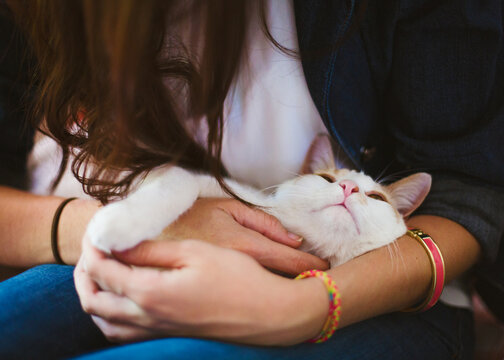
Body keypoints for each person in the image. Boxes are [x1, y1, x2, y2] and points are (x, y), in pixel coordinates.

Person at [1, 0, 502, 359]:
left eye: (370, 194)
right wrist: (106, 227)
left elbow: (466, 186)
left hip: (382, 299)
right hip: (160, 238)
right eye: (330, 180)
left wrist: (306, 305)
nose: (348, 189)